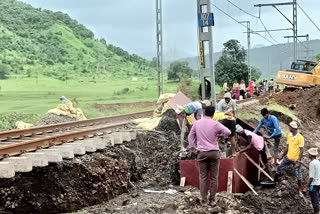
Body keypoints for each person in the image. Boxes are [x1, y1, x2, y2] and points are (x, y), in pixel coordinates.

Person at [188, 106, 231, 205]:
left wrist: (193, 147)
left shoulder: (197, 123)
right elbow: (228, 132)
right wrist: (221, 136)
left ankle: (204, 200)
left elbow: (190, 136)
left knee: (203, 177)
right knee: (214, 177)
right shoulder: (216, 124)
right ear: (213, 114)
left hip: (202, 153)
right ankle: (212, 200)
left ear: (204, 112)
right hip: (214, 153)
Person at [275, 121, 304, 195]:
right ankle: (274, 182)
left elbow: (301, 150)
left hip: (296, 159)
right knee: (279, 168)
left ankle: (300, 189)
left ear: (293, 128)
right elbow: (287, 147)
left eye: (290, 127)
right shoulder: (289, 135)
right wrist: (282, 156)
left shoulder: (300, 138)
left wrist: (298, 160)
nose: (289, 128)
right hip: (288, 157)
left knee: (298, 175)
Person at [307, 148, 320, 214]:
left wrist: (307, 186)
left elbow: (311, 177)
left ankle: (316, 212)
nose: (308, 155)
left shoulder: (312, 163)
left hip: (313, 185)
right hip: (318, 183)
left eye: (309, 154)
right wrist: (301, 163)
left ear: (310, 155)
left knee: (314, 200)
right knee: (316, 198)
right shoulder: (317, 161)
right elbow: (311, 169)